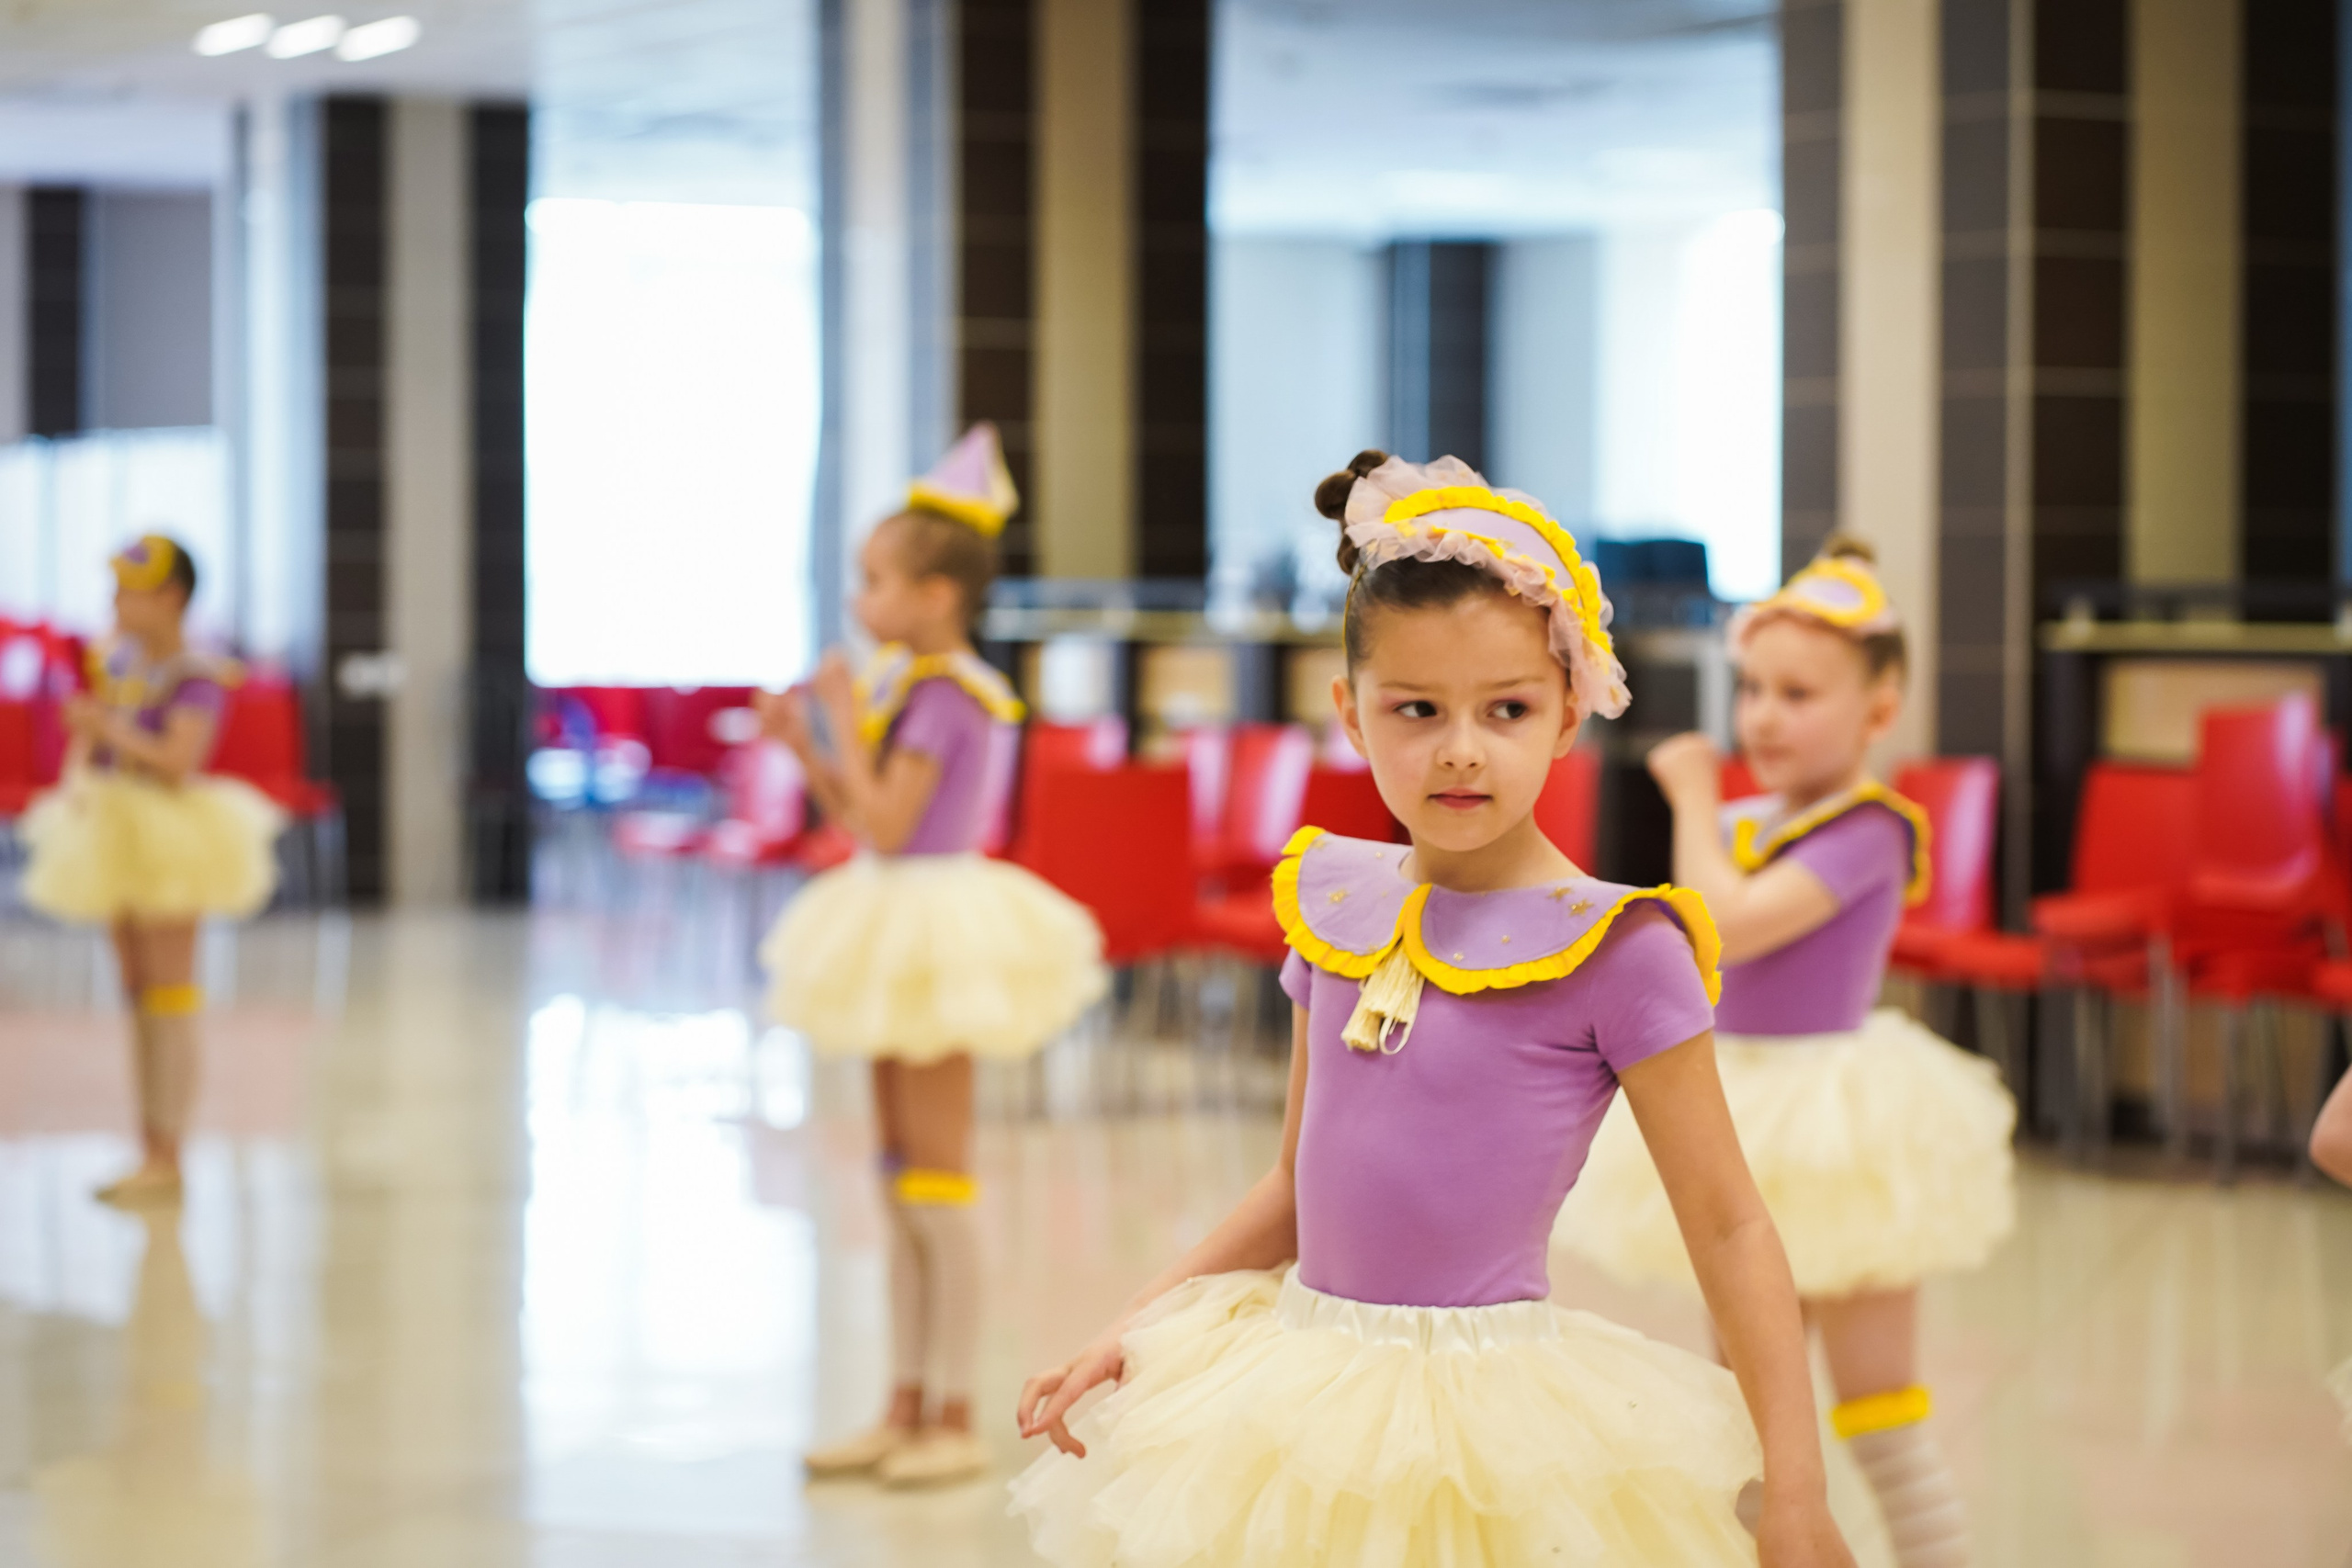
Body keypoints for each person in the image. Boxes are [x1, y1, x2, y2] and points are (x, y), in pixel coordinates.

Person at [1010, 452, 1852, 1567]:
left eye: (1507, 709)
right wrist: (1134, 1325)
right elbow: (1291, 1189)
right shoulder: (1333, 903)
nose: (1460, 748)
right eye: (1416, 709)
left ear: (1567, 712)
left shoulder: (1620, 946)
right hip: (1296, 1398)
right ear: (1351, 715)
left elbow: (1730, 1225)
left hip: (1486, 1424)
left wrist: (1795, 1489)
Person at [1556, 538, 2015, 1568]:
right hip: (1740, 1107)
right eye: (1753, 689)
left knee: (1879, 1412)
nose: (1763, 716)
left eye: (1798, 694)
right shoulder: (1754, 817)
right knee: (1750, 1418)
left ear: (1879, 709)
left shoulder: (1871, 829)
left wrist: (1687, 800)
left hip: (1839, 1121)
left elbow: (1723, 920)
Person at [760, 423, 1108, 1488]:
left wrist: (827, 720)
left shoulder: (950, 693)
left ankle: (953, 1413)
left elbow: (883, 820)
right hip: (891, 912)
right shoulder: (909, 684)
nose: (860, 600)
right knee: (900, 1180)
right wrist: (807, 744)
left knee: (938, 1182)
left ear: (936, 594)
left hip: (932, 924)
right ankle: (901, 1404)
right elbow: (862, 821)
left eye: (876, 581)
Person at [20, 536, 283, 1206]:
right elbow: (95, 741)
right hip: (113, 828)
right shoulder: (121, 661)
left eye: (129, 591)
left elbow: (177, 762)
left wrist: (106, 729)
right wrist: (83, 763)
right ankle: (149, 1145)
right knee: (137, 994)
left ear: (171, 597)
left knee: (169, 998)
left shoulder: (196, 673)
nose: (116, 603)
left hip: (168, 834)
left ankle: (170, 1152)